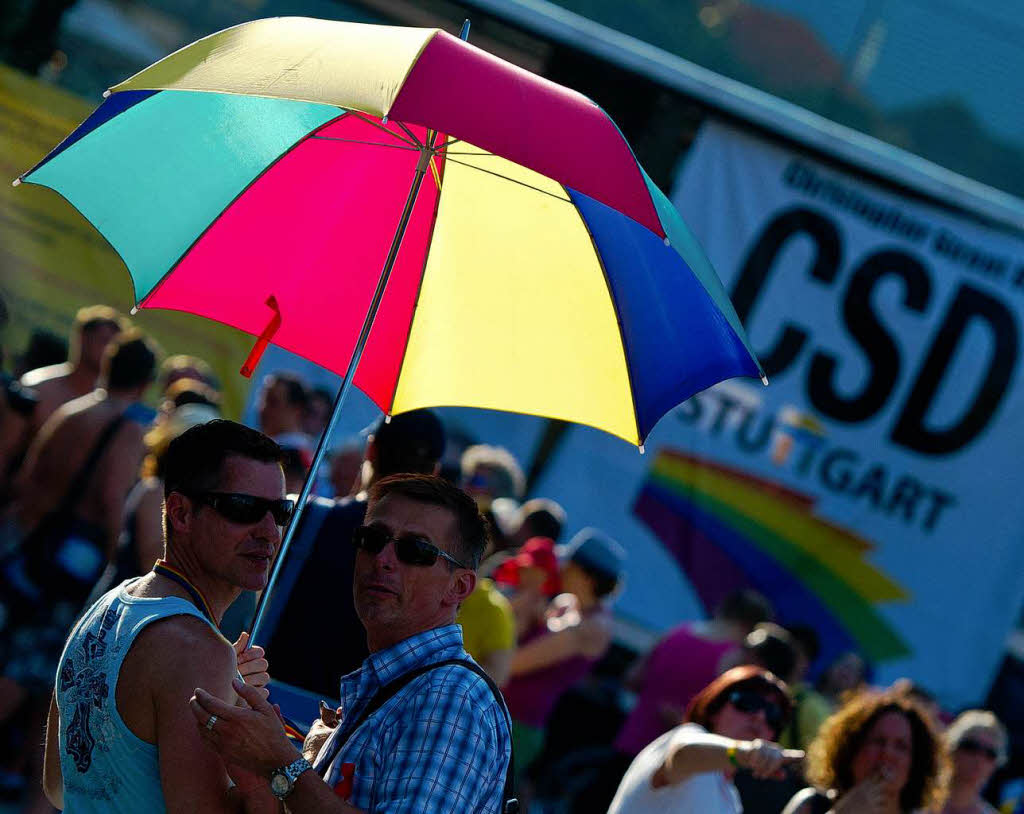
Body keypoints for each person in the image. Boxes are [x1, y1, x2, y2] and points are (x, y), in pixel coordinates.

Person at [189, 473, 513, 813]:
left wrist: (280, 761)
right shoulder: (399, 683)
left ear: (459, 587)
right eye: (372, 539)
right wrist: (256, 761)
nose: (383, 558)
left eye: (414, 550)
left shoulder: (450, 698)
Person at [41, 419, 288, 812]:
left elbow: (59, 785)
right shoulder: (197, 649)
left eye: (280, 510)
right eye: (244, 509)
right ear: (181, 513)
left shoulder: (107, 608)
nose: (269, 531)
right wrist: (278, 764)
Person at [0, 331, 158, 723]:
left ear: (107, 367)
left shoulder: (73, 411)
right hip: (64, 566)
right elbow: (111, 500)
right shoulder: (126, 430)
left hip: (24, 544)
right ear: (145, 384)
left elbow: (28, 477)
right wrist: (113, 567)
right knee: (27, 669)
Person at [263, 409, 447, 696]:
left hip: (267, 696)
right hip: (349, 724)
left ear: (371, 449)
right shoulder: (430, 560)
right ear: (434, 473)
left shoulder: (306, 517)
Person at [503, 528, 625, 773]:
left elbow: (513, 664)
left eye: (569, 564)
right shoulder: (566, 604)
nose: (561, 567)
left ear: (587, 577)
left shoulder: (593, 626)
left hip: (518, 726)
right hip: (508, 714)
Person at [607, 665, 802, 813]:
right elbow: (684, 752)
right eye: (749, 702)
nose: (760, 717)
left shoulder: (731, 800)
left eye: (773, 715)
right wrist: (745, 752)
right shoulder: (686, 736)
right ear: (715, 709)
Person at [615, 589, 775, 759]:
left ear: (721, 610)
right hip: (672, 761)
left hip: (630, 740)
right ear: (752, 628)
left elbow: (632, 678)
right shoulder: (734, 660)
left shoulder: (676, 633)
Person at [782, 687, 949, 814]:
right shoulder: (812, 805)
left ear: (915, 763)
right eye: (878, 741)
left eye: (901, 746)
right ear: (851, 750)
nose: (887, 753)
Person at [19, 305, 126, 439]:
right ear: (82, 337)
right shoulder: (38, 388)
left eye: (114, 346)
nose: (108, 351)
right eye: (103, 341)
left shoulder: (108, 411)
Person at [939, 710, 1007, 814]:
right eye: (971, 747)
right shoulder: (915, 804)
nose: (979, 758)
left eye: (990, 754)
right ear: (951, 749)